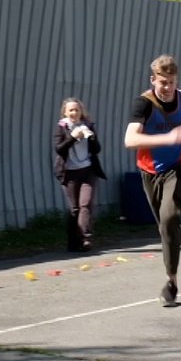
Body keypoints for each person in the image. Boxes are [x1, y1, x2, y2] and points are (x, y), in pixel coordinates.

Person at [124, 55, 181, 306]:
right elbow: (130, 140)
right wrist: (167, 138)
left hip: (177, 167)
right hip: (149, 171)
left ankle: (171, 283)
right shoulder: (143, 103)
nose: (167, 88)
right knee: (168, 228)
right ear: (153, 80)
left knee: (168, 218)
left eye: (171, 82)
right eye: (162, 82)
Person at [54, 98, 106, 252]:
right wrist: (73, 137)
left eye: (77, 110)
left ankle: (85, 238)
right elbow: (59, 149)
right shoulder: (62, 128)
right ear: (65, 112)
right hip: (69, 172)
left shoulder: (88, 125)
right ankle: (73, 242)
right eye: (71, 110)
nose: (74, 113)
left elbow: (97, 149)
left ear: (81, 112)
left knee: (86, 203)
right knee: (75, 209)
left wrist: (91, 137)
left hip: (87, 170)